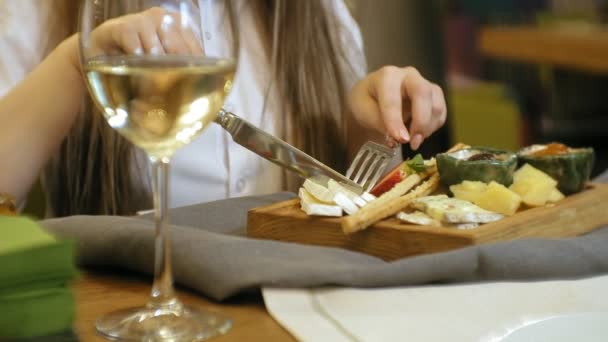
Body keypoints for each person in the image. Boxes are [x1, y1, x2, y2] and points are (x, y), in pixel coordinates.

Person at [0, 0, 447, 217]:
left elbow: (356, 206)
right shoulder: (38, 9)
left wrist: (369, 130)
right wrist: (75, 65)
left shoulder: (320, 14)